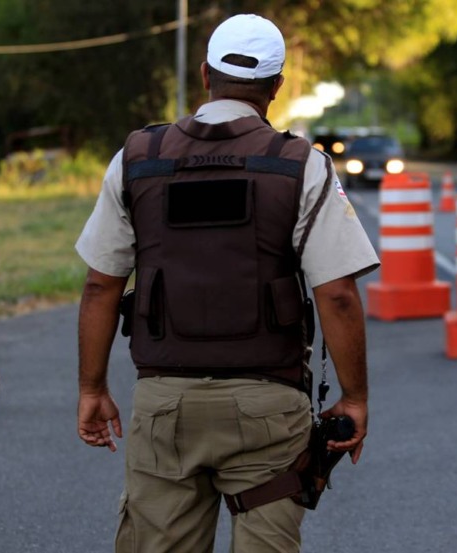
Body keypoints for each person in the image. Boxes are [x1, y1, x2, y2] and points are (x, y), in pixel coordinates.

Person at [75, 13, 379, 552]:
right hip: (267, 405)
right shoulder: (299, 166)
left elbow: (101, 286)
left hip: (163, 403)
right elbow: (336, 293)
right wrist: (354, 397)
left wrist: (93, 389)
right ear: (277, 86)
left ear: (204, 75)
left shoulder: (138, 159)